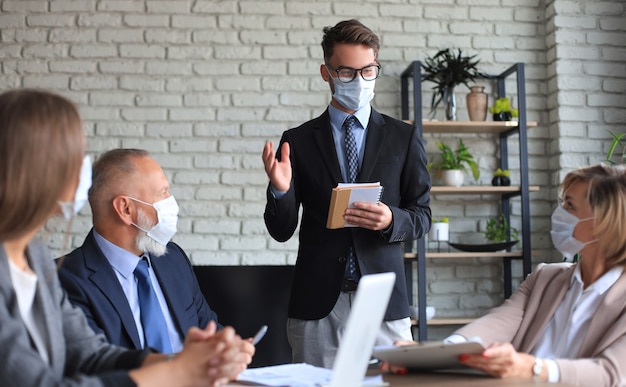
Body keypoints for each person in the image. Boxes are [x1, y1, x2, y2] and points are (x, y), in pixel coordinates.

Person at [0, 88, 254, 386]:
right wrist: (176, 372)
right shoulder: (60, 273)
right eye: (75, 155)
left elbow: (89, 355)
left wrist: (192, 359)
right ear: (35, 169)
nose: (84, 168)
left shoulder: (35, 257)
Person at [261, 19, 431, 368]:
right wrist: (280, 192)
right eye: (347, 72)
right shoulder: (298, 140)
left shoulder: (403, 137)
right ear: (326, 72)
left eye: (368, 71)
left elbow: (422, 215)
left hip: (384, 301)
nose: (359, 81)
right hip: (319, 303)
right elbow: (281, 231)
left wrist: (390, 219)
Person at [387, 164, 626, 386]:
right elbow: (498, 323)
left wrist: (534, 368)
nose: (559, 212)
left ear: (603, 223)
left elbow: (610, 373)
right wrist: (433, 356)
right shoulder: (546, 278)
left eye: (570, 206)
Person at [58, 148, 220, 353]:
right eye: (162, 193)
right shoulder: (65, 280)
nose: (172, 203)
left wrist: (226, 348)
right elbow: (96, 367)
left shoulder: (174, 258)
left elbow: (209, 327)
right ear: (126, 209)